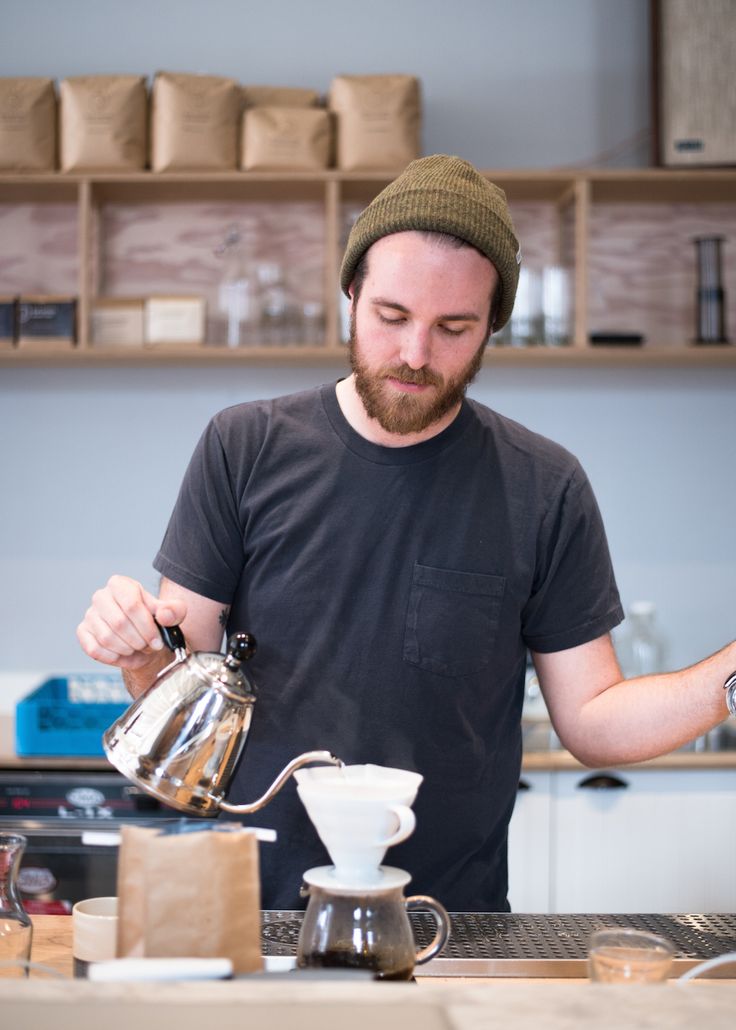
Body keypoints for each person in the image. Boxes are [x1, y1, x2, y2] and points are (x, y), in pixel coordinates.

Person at [77, 155, 736, 912]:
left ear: (493, 325)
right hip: (256, 914)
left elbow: (594, 721)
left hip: (452, 923)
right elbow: (180, 684)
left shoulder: (543, 487)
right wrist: (136, 654)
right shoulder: (244, 447)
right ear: (351, 294)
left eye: (453, 328)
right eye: (392, 318)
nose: (416, 356)